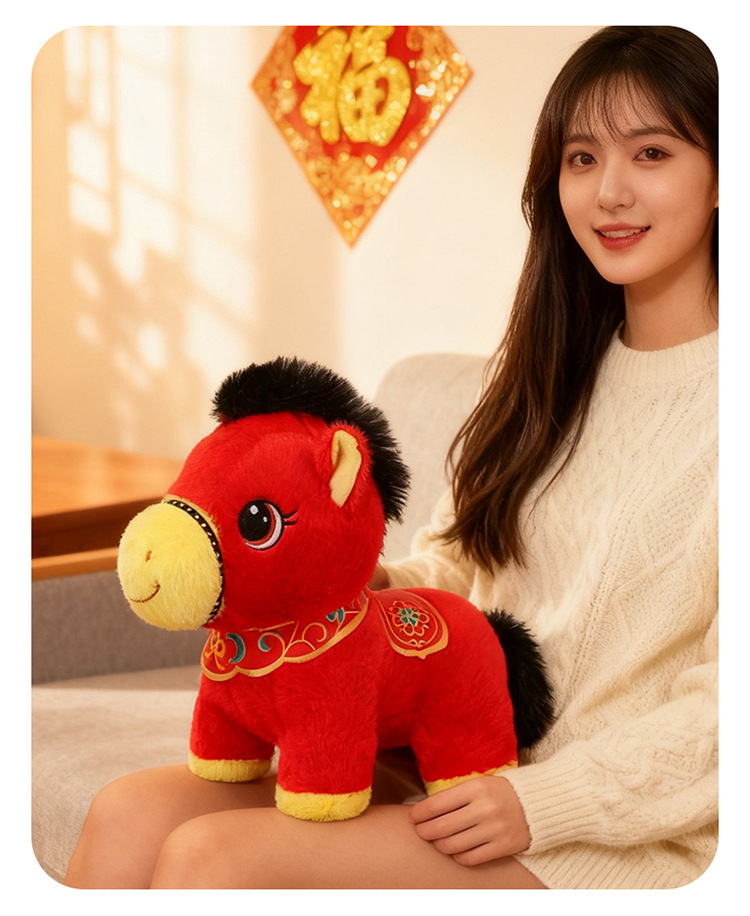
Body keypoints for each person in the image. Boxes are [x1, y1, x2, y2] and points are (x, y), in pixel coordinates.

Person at [64, 25, 718, 890]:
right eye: (582, 158)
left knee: (211, 859)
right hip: (454, 750)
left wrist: (546, 800)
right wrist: (343, 583)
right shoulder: (547, 371)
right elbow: (460, 563)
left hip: (610, 827)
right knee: (125, 812)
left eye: (652, 152)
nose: (610, 192)